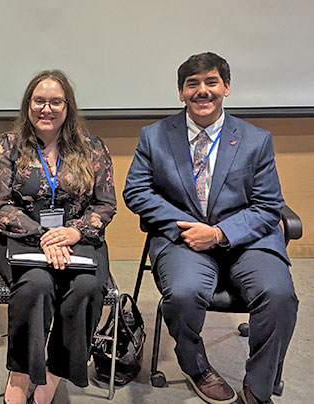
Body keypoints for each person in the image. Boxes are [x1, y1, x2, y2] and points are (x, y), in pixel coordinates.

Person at [123, 52, 298, 404]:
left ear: (227, 87)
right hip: (183, 239)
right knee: (184, 294)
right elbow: (136, 191)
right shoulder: (154, 136)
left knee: (280, 296)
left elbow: (267, 205)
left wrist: (219, 234)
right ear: (180, 92)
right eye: (192, 84)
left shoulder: (255, 139)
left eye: (211, 82)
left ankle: (258, 387)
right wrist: (187, 227)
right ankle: (197, 366)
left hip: (248, 241)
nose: (202, 91)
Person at [0, 70, 116, 404]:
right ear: (28, 105)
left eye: (55, 102)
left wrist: (73, 232)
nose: (47, 109)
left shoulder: (93, 148)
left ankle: (51, 380)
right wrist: (46, 237)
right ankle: (19, 376)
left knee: (86, 289)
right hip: (22, 240)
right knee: (36, 286)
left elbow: (105, 203)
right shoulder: (7, 146)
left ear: (67, 106)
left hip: (80, 240)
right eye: (39, 101)